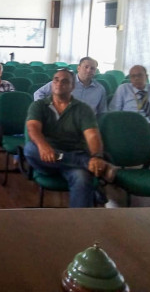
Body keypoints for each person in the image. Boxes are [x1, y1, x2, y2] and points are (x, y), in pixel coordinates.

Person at [24, 68, 116, 208]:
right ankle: (86, 163)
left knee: (82, 179)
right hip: (47, 159)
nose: (59, 83)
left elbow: (92, 135)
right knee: (30, 149)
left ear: (73, 86)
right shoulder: (39, 105)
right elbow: (33, 128)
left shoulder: (83, 109)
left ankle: (78, 221)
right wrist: (44, 146)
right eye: (56, 80)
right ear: (52, 83)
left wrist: (96, 156)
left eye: (65, 81)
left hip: (74, 154)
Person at [109, 65, 150, 138]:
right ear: (130, 78)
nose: (136, 78)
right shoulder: (123, 89)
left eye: (140, 75)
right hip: (128, 123)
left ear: (146, 76)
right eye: (133, 76)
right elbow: (114, 111)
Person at [34, 57, 107, 116]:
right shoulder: (63, 81)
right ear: (78, 68)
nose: (89, 70)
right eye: (86, 67)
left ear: (95, 71)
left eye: (92, 68)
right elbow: (38, 93)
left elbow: (102, 112)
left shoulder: (100, 89)